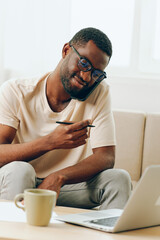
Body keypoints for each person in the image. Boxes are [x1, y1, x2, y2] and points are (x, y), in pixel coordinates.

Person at [0, 27, 131, 209]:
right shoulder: (16, 90)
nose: (86, 77)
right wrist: (50, 142)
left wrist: (58, 178)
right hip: (18, 181)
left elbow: (106, 156)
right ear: (66, 50)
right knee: (21, 170)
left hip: (62, 187)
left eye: (95, 74)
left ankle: (107, 235)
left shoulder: (99, 93)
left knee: (119, 179)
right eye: (84, 63)